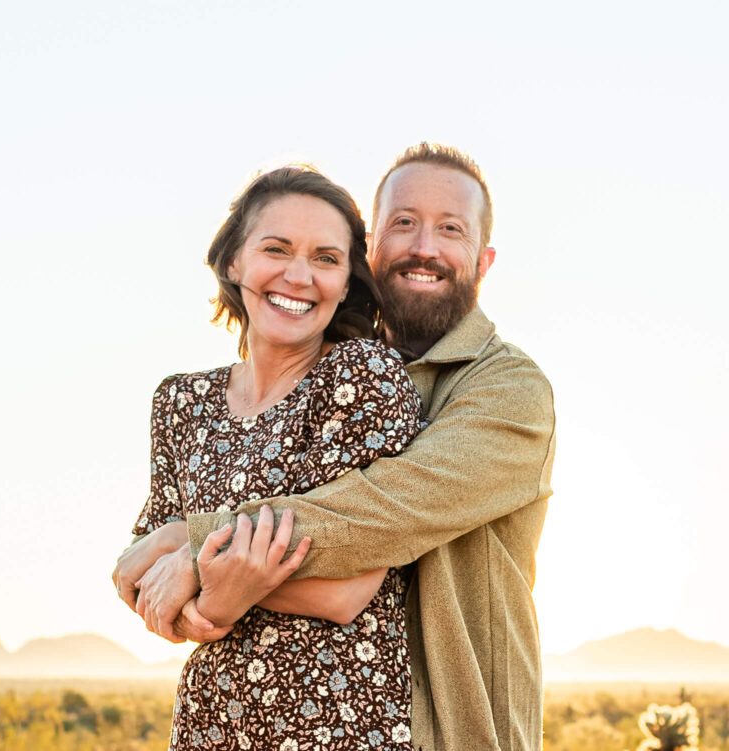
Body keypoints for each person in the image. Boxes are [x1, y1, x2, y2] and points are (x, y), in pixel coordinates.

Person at [120, 143, 556, 751]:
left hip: (444, 729)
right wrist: (198, 596)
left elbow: (381, 514)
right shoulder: (282, 378)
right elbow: (137, 570)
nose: (423, 246)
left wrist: (193, 547)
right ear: (370, 252)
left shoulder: (508, 390)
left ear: (483, 262)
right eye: (403, 223)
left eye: (449, 230)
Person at [121, 166, 425, 749]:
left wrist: (196, 562)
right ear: (234, 262)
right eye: (276, 249)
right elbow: (136, 574)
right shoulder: (181, 402)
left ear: (345, 283)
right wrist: (207, 601)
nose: (299, 275)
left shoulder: (362, 377)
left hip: (339, 725)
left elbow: (347, 591)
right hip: (212, 724)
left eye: (327, 258)